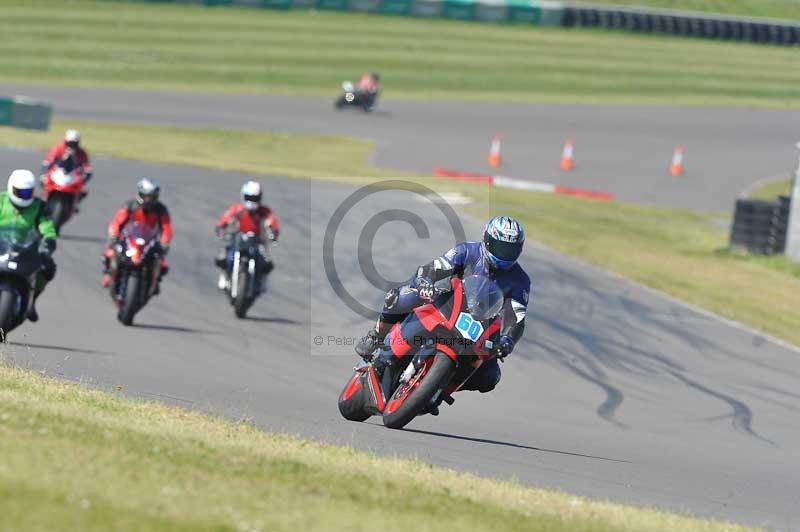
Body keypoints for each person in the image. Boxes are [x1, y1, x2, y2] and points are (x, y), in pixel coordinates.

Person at [355, 216, 530, 401]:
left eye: (510, 249)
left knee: (491, 376)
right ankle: (377, 335)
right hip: (446, 302)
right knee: (401, 297)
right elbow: (435, 267)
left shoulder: (521, 280)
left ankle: (441, 386)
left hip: (481, 325)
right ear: (487, 240)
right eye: (500, 247)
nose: (504, 254)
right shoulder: (467, 251)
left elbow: (517, 316)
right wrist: (425, 282)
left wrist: (508, 341)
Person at [0, 170, 58, 323]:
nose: (24, 196)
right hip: (1, 246)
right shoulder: (1, 201)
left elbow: (47, 227)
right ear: (11, 188)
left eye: (28, 193)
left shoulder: (40, 207)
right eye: (20, 192)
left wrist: (48, 242)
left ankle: (32, 300)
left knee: (48, 268)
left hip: (25, 249)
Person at [101, 178, 172, 289]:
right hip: (129, 237)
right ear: (140, 194)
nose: (148, 200)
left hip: (149, 241)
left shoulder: (161, 210)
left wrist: (164, 243)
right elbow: (117, 222)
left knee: (162, 263)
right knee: (110, 251)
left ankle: (155, 281)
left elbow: (166, 228)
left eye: (152, 197)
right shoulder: (130, 205)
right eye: (146, 196)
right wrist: (114, 236)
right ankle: (108, 273)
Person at [214, 181, 279, 291]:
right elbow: (225, 219)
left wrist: (273, 233)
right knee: (223, 256)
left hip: (257, 240)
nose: (252, 202)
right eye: (249, 197)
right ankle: (224, 276)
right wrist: (221, 228)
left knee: (267, 262)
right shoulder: (237, 209)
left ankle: (263, 280)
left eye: (254, 198)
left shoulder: (264, 211)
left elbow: (272, 222)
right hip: (238, 237)